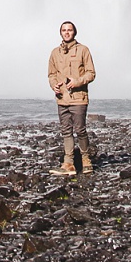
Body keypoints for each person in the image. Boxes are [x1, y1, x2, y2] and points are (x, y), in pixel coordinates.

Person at [48, 21, 96, 175]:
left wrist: (77, 82)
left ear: (74, 32)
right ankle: (68, 163)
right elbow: (51, 74)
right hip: (62, 99)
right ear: (60, 32)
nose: (67, 32)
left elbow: (91, 73)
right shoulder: (55, 53)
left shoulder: (83, 50)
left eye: (69, 30)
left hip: (79, 98)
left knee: (81, 130)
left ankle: (85, 159)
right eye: (64, 30)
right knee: (66, 131)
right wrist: (53, 85)